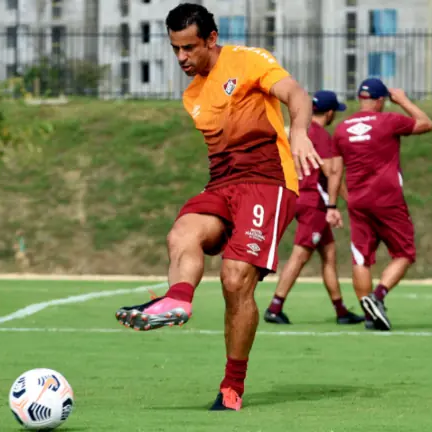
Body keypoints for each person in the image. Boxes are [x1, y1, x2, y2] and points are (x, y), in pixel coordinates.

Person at [114, 3, 322, 411]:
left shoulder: (249, 60)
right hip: (223, 183)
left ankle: (232, 387)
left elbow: (296, 94)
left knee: (234, 278)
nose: (181, 57)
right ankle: (177, 298)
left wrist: (299, 131)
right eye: (175, 49)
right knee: (182, 233)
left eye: (189, 48)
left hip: (269, 180)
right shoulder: (192, 95)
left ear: (211, 39)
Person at [325, 78, 432, 331]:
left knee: (361, 258)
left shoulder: (341, 129)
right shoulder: (389, 121)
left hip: (357, 201)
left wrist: (331, 206)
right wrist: (403, 100)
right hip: (387, 199)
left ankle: (370, 317)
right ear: (381, 100)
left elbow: (335, 171)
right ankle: (378, 297)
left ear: (360, 99)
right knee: (404, 253)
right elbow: (426, 123)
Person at [264, 90, 364, 326]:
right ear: (329, 113)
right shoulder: (321, 135)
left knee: (329, 254)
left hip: (297, 196)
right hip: (314, 203)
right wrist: (339, 204)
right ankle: (275, 306)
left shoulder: (301, 131)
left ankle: (341, 311)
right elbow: (331, 172)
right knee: (300, 255)